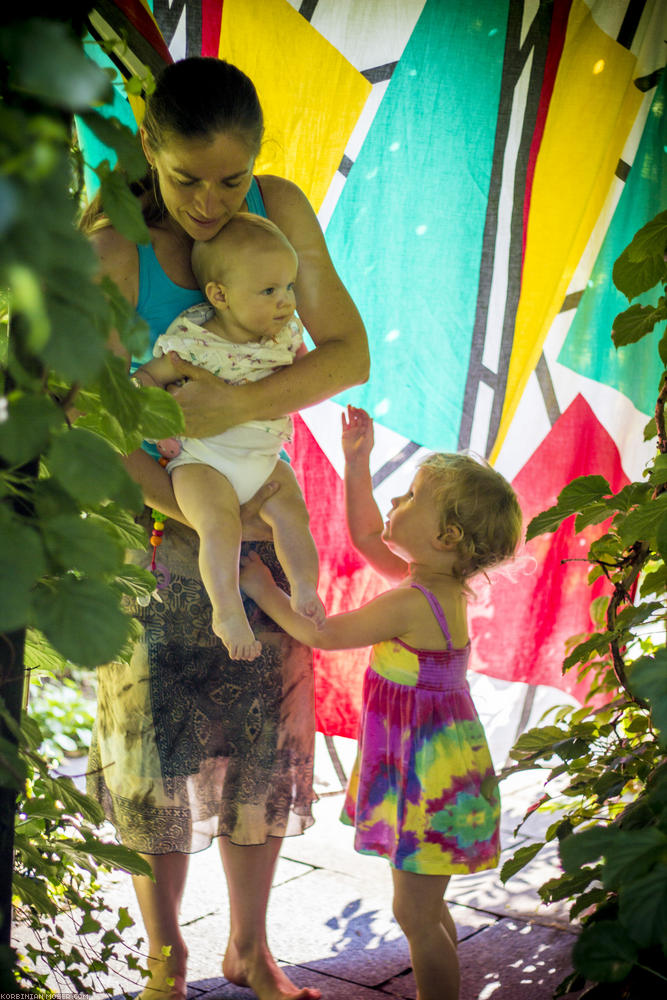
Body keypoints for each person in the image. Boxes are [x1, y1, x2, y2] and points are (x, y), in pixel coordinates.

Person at [82, 56, 369, 1000]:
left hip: (254, 504)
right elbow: (89, 414)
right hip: (155, 535)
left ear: (259, 162)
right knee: (151, 757)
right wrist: (196, 503)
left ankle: (250, 948)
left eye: (231, 178)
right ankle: (166, 952)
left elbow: (347, 353)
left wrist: (227, 409)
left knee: (262, 746)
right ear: (149, 151)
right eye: (186, 177)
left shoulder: (277, 210)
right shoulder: (114, 249)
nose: (210, 202)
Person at [239, 405, 523, 1000]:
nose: (398, 502)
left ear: (446, 537)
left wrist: (264, 588)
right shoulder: (435, 584)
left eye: (413, 496)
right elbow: (369, 535)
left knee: (415, 916)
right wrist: (357, 461)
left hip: (429, 779)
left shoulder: (412, 603)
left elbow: (323, 634)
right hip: (437, 769)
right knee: (425, 911)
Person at [133, 213, 325, 660]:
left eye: (290, 287)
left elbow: (308, 379)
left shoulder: (287, 335)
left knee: (293, 514)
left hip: (263, 454)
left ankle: (304, 586)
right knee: (220, 525)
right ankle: (228, 610)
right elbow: (146, 378)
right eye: (270, 291)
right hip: (202, 459)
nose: (286, 302)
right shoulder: (193, 338)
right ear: (220, 295)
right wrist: (154, 418)